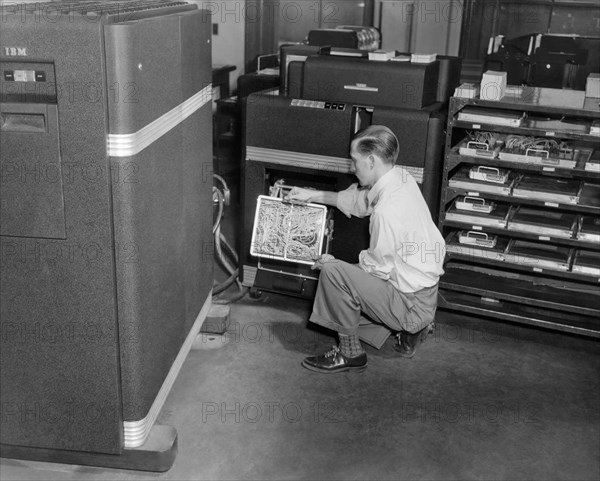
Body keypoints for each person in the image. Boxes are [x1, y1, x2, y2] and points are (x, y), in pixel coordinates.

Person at [285, 125, 445, 373]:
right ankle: (413, 329)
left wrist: (334, 266)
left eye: (354, 160)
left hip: (409, 303)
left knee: (332, 274)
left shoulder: (387, 212)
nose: (352, 168)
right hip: (424, 294)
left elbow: (375, 270)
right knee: (338, 313)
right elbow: (360, 201)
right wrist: (311, 195)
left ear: (371, 161)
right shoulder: (401, 178)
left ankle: (350, 354)